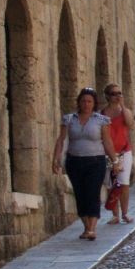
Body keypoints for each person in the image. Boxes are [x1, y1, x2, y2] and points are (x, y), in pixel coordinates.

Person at [51, 88, 110, 241]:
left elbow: (107, 141)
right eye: (83, 101)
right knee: (80, 194)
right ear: (79, 102)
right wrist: (56, 158)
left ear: (94, 103)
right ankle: (86, 226)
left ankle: (92, 228)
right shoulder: (69, 119)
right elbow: (62, 140)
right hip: (75, 161)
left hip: (96, 161)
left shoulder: (100, 120)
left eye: (89, 101)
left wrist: (115, 160)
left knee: (92, 193)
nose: (86, 104)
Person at [102, 84, 134, 223]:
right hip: (108, 153)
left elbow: (130, 124)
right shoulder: (102, 114)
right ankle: (115, 214)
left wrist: (123, 106)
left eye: (119, 93)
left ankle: (125, 213)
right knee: (111, 184)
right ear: (107, 96)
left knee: (124, 182)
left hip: (124, 151)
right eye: (113, 93)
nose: (117, 96)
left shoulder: (124, 111)